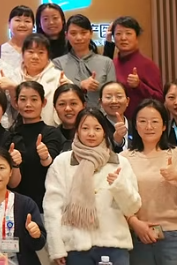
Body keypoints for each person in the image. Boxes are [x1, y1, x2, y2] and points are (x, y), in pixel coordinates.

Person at [43, 108, 142, 265]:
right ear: (77, 131)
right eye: (85, 128)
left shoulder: (119, 162)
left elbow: (133, 208)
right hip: (75, 247)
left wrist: (119, 186)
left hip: (114, 246)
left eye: (97, 128)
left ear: (104, 132)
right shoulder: (62, 162)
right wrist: (56, 248)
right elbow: (52, 208)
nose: (91, 133)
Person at [122, 99, 177, 265]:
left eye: (154, 121)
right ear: (135, 125)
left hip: (173, 234)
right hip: (137, 233)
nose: (149, 126)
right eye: (142, 121)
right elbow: (117, 197)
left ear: (164, 126)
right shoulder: (124, 158)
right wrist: (134, 222)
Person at [6, 80, 66, 210]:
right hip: (14, 204)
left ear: (43, 102)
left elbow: (51, 163)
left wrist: (45, 157)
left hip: (45, 203)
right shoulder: (10, 134)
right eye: (23, 99)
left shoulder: (51, 132)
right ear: (16, 103)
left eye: (34, 99)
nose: (28, 104)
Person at [54, 14, 116, 108]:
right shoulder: (57, 63)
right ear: (66, 35)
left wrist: (100, 87)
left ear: (91, 33)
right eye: (73, 33)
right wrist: (81, 85)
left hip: (101, 115)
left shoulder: (107, 62)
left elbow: (113, 93)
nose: (79, 38)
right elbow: (55, 93)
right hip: (68, 114)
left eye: (83, 33)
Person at [110, 16, 163, 123]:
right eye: (118, 34)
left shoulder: (147, 64)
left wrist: (139, 85)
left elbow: (159, 99)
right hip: (113, 123)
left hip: (140, 123)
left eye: (128, 33)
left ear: (137, 36)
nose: (123, 38)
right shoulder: (111, 64)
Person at [18, 33, 72, 125]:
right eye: (30, 52)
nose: (35, 57)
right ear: (22, 54)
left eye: (41, 53)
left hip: (51, 128)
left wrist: (68, 87)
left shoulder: (58, 77)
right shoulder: (13, 76)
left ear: (48, 56)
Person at [53, 84, 88, 150]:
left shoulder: (92, 135)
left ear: (84, 105)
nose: (68, 109)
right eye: (62, 104)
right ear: (54, 107)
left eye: (73, 103)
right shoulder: (50, 137)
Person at [100, 80, 132, 152]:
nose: (114, 101)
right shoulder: (98, 127)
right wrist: (116, 140)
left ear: (127, 101)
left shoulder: (136, 126)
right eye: (108, 97)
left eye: (119, 96)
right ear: (101, 102)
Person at [0, 6, 35, 70]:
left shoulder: (39, 51)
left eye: (27, 21)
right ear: (9, 24)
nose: (22, 25)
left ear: (33, 26)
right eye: (18, 20)